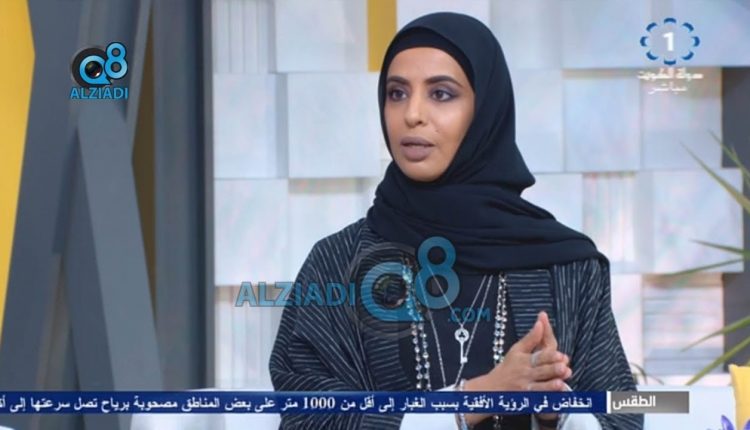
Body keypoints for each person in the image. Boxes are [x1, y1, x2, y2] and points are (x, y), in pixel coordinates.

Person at [269, 11, 643, 430]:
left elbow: (623, 414)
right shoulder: (338, 262)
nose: (412, 114)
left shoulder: (567, 265)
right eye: (396, 93)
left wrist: (557, 409)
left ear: (486, 109)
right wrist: (469, 401)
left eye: (441, 94)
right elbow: (305, 413)